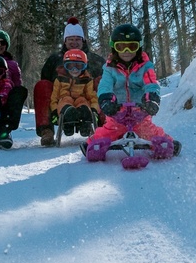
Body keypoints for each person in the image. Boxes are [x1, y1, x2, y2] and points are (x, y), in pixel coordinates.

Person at [82, 23, 177, 161]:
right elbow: (104, 86)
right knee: (109, 130)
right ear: (114, 47)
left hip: (140, 112)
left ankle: (167, 142)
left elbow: (151, 83)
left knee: (149, 130)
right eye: (121, 46)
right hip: (117, 113)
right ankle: (91, 144)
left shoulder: (145, 67)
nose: (127, 51)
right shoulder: (109, 69)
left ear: (138, 47)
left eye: (131, 46)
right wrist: (106, 100)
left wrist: (151, 99)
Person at [33, 17, 106, 140]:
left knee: (103, 82)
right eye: (70, 39)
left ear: (83, 41)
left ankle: (105, 126)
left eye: (77, 39)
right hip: (62, 100)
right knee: (42, 85)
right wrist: (54, 106)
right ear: (65, 41)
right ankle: (46, 130)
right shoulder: (55, 59)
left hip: (87, 100)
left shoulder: (95, 60)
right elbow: (47, 84)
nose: (74, 42)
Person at [42, 49, 100, 146]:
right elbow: (54, 97)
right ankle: (68, 116)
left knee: (83, 101)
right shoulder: (59, 79)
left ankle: (85, 120)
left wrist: (94, 109)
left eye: (79, 66)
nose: (74, 70)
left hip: (80, 101)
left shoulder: (87, 80)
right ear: (65, 66)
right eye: (70, 66)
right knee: (65, 100)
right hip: (64, 100)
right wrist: (54, 111)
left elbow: (92, 96)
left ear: (84, 67)